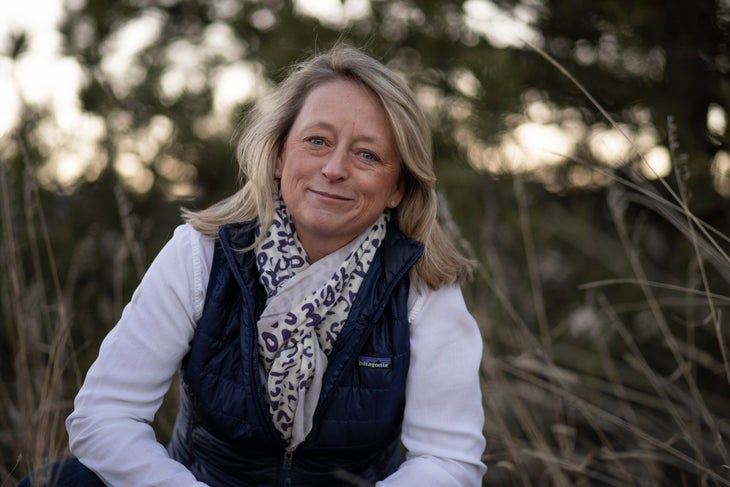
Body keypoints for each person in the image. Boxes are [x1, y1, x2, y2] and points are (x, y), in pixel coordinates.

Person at [20, 45, 486, 486]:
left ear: (398, 187)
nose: (335, 168)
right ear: (281, 155)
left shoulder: (423, 286)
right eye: (317, 141)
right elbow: (105, 416)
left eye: (367, 154)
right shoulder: (200, 255)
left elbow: (448, 461)